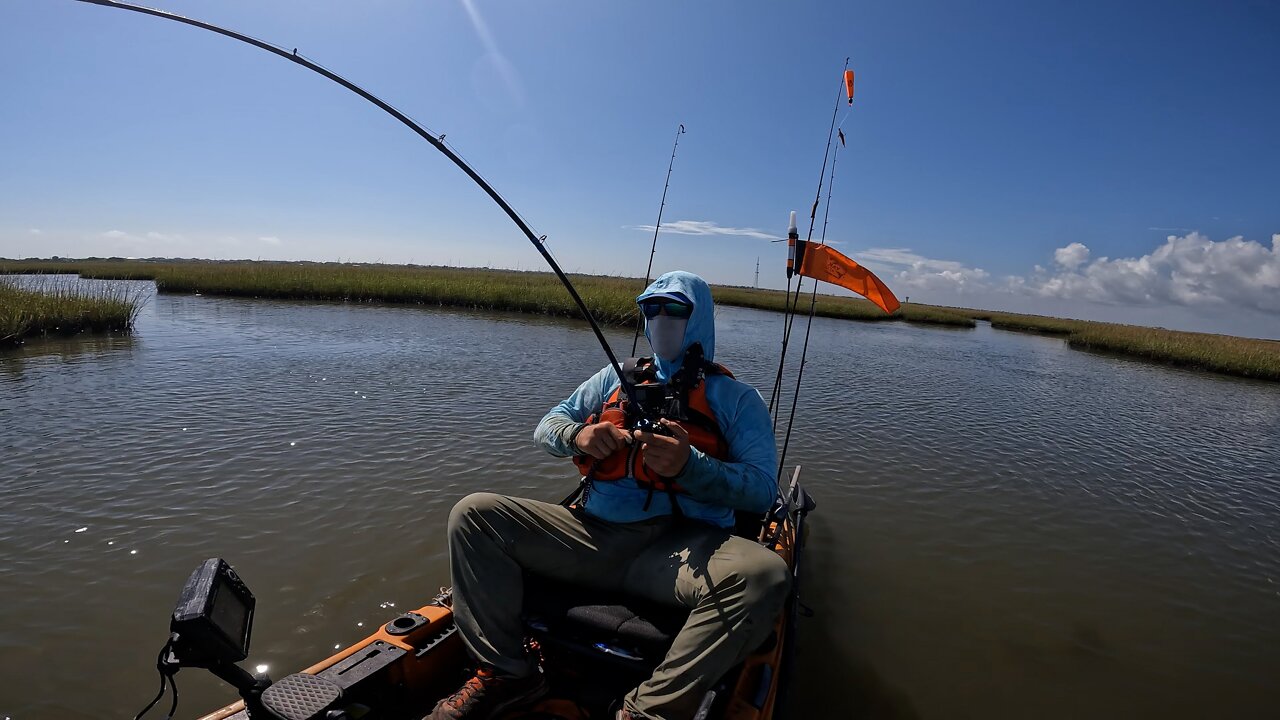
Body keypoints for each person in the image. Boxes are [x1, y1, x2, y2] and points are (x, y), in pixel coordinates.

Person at [427, 271, 790, 720]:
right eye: (651, 308)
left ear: (699, 318)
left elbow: (760, 490)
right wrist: (578, 436)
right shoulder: (612, 378)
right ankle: (508, 673)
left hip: (681, 551)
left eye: (675, 309)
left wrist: (690, 466)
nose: (661, 319)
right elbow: (546, 427)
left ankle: (647, 710)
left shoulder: (737, 399)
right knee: (473, 514)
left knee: (765, 575)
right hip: (593, 536)